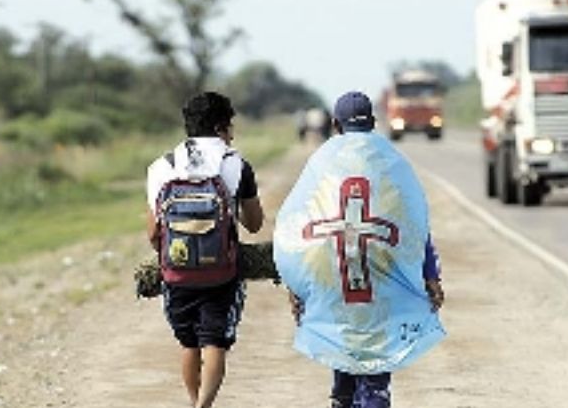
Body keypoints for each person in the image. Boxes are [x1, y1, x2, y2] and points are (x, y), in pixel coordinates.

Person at [274, 91, 445, 408]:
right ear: (373, 122)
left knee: (342, 341)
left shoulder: (321, 163)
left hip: (333, 272)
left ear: (335, 124)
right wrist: (431, 274)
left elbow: (298, 227)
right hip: (382, 275)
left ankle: (342, 396)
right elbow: (414, 224)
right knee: (376, 364)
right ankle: (372, 396)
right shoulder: (391, 161)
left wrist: (296, 285)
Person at [145, 91, 263, 408]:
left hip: (176, 271)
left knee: (189, 343)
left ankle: (194, 401)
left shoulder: (162, 165)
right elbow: (254, 223)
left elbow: (152, 230)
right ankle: (204, 406)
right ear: (221, 126)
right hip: (221, 273)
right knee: (215, 343)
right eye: (231, 126)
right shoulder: (235, 163)